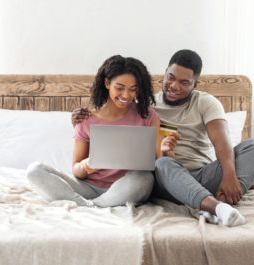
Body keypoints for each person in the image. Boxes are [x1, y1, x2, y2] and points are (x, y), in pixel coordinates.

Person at [72, 50, 254, 226]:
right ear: (164, 73)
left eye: (184, 82)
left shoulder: (206, 102)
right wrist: (81, 115)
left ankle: (221, 201)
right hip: (165, 179)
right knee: (163, 163)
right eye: (171, 78)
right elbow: (117, 113)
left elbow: (222, 142)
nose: (174, 86)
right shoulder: (147, 105)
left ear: (195, 84)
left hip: (202, 174)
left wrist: (229, 176)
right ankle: (216, 207)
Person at [27, 55, 161, 208]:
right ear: (107, 83)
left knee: (144, 178)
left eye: (133, 89)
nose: (126, 95)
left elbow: (158, 161)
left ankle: (86, 206)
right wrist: (85, 166)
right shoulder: (86, 119)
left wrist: (164, 151)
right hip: (89, 188)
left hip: (127, 187)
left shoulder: (147, 116)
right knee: (35, 170)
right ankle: (91, 205)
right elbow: (76, 171)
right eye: (119, 88)